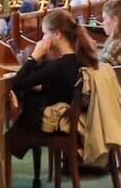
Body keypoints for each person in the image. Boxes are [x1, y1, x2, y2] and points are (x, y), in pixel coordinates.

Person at [7, 9, 100, 148]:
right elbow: (62, 84)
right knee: (31, 96)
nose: (43, 39)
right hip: (77, 114)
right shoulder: (81, 58)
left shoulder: (59, 65)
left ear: (57, 34)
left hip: (61, 119)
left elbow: (17, 83)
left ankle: (9, 144)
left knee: (25, 101)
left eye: (45, 34)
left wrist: (34, 57)